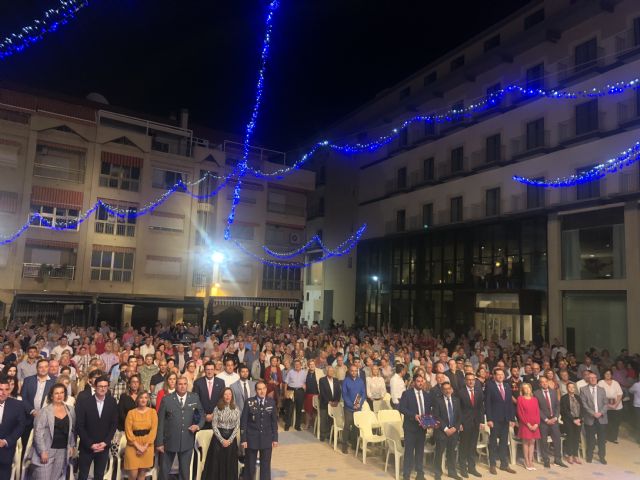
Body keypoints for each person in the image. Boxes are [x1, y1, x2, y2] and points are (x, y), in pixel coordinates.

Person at [155, 376, 204, 480]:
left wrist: (198, 425)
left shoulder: (194, 397)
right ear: (176, 385)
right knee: (164, 471)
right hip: (169, 441)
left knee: (185, 472)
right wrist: (159, 442)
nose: (182, 386)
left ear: (187, 385)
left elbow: (202, 415)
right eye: (180, 384)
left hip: (187, 440)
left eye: (184, 384)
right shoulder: (167, 399)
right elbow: (160, 422)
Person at [75, 375, 118, 480]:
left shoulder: (112, 402)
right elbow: (80, 426)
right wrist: (90, 444)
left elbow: (113, 424)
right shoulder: (85, 402)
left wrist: (105, 442)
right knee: (83, 476)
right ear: (95, 387)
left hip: (103, 446)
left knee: (99, 475)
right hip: (87, 447)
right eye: (100, 386)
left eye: (105, 386)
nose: (103, 388)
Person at [30, 383, 75, 480]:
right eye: (56, 393)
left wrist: (71, 445)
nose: (59, 395)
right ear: (51, 395)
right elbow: (38, 433)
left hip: (62, 451)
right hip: (46, 451)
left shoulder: (70, 410)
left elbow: (71, 430)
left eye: (62, 392)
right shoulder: (44, 411)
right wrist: (42, 451)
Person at [240, 380, 278, 480]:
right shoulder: (249, 402)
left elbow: (274, 422)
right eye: (259, 389)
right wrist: (243, 439)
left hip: (266, 438)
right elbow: (243, 422)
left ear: (266, 389)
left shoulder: (271, 402)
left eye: (264, 389)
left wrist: (275, 439)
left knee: (265, 466)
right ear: (256, 391)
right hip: (251, 439)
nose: (262, 391)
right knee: (250, 466)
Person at [203, 387, 240, 480]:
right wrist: (222, 440)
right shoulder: (217, 408)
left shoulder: (236, 408)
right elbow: (214, 425)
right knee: (216, 464)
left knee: (230, 463)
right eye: (225, 394)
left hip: (231, 440)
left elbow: (237, 426)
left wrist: (230, 440)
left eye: (229, 394)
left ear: (232, 396)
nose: (228, 396)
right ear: (222, 396)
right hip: (218, 440)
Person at [485, 368, 516, 474]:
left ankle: (504, 464)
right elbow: (488, 403)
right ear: (494, 376)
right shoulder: (490, 386)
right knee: (493, 442)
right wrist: (489, 419)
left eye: (502, 374)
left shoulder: (507, 386)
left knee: (503, 443)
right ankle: (492, 465)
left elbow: (510, 404)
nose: (500, 376)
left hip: (506, 419)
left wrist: (512, 418)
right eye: (498, 374)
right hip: (495, 419)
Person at [398, 373, 430, 480]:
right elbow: (401, 408)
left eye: (422, 381)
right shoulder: (407, 394)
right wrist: (413, 415)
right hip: (410, 427)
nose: (420, 383)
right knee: (409, 452)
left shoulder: (426, 394)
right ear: (413, 382)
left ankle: (419, 473)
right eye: (418, 381)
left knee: (420, 452)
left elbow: (428, 411)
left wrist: (428, 423)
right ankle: (406, 474)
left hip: (422, 428)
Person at [21, 359, 55, 452]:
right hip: (29, 418)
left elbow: (56, 400)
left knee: (43, 446)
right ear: (37, 368)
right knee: (26, 445)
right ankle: (24, 465)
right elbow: (23, 398)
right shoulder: (28, 380)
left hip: (47, 420)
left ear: (48, 368)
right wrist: (32, 411)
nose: (43, 369)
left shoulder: (55, 381)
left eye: (45, 367)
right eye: (40, 367)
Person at [124, 391, 158, 480]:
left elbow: (154, 430)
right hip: (133, 445)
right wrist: (138, 447)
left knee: (142, 474)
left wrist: (144, 447)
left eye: (146, 398)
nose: (143, 400)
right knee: (133, 475)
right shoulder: (131, 413)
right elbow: (128, 431)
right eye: (141, 397)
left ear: (148, 400)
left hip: (147, 445)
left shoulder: (153, 412)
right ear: (137, 399)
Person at [534, 377, 566, 468]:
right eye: (542, 382)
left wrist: (555, 417)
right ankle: (546, 460)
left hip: (554, 420)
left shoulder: (553, 392)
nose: (544, 383)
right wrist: (546, 419)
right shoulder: (536, 393)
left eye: (545, 382)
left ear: (548, 382)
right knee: (543, 441)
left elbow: (557, 406)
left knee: (557, 439)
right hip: (544, 421)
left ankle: (558, 459)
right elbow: (537, 408)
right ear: (540, 384)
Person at [432, 381, 462, 480]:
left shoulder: (456, 400)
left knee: (451, 452)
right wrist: (445, 429)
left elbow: (459, 417)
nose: (447, 390)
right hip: (441, 431)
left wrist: (455, 428)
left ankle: (452, 472)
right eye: (445, 389)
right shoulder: (437, 400)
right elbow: (436, 416)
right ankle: (437, 472)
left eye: (449, 388)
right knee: (439, 452)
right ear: (442, 390)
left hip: (453, 431)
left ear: (451, 389)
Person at [458, 371, 484, 478]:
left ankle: (472, 468)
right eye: (468, 379)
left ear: (475, 380)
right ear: (465, 381)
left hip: (476, 423)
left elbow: (481, 408)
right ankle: (463, 468)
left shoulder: (479, 391)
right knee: (464, 446)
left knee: (473, 446)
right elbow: (458, 410)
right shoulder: (460, 392)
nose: (471, 381)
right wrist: (459, 423)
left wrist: (482, 421)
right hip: (465, 423)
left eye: (472, 380)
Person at [580, 372, 608, 464]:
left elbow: (605, 403)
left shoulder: (602, 389)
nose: (592, 379)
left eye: (594, 377)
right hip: (590, 418)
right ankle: (590, 456)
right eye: (590, 378)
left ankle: (602, 457)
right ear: (588, 379)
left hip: (602, 418)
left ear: (597, 379)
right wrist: (593, 413)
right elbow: (584, 404)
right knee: (590, 439)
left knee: (602, 439)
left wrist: (600, 413)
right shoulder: (583, 389)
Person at [0, 377, 25, 480]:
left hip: (6, 449)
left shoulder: (17, 405)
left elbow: (20, 426)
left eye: (6, 389)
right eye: (0, 389)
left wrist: (6, 441)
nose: (3, 393)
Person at [341, 364, 366, 455]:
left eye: (355, 371)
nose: (354, 372)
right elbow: (344, 395)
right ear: (349, 371)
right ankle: (344, 446)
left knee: (356, 427)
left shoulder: (361, 381)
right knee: (347, 426)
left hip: (358, 407)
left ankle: (355, 445)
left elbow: (363, 394)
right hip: (348, 408)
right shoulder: (346, 381)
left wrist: (359, 404)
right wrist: (352, 405)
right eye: (352, 370)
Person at [193, 361, 226, 429]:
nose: (210, 372)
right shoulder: (198, 383)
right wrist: (205, 415)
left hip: (217, 419)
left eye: (211, 369)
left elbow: (222, 400)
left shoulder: (221, 382)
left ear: (214, 370)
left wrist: (214, 414)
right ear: (204, 370)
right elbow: (196, 401)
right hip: (202, 419)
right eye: (207, 369)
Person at [516, 383, 540, 471]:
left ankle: (531, 460)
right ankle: (526, 461)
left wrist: (537, 424)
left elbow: (538, 412)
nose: (527, 390)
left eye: (528, 388)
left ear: (530, 389)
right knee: (526, 442)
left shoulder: (535, 399)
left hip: (535, 424)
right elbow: (520, 413)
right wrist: (528, 424)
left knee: (532, 442)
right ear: (522, 390)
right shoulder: (520, 399)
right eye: (525, 388)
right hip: (525, 424)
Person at [598, 368, 623, 443]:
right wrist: (608, 405)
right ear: (604, 375)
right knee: (605, 423)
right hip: (605, 407)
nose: (608, 375)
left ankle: (613, 438)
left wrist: (615, 404)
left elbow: (620, 394)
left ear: (612, 375)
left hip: (617, 406)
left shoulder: (616, 383)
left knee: (615, 423)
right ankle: (605, 437)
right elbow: (599, 395)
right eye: (606, 374)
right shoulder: (601, 382)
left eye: (609, 374)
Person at [560, 382, 583, 465]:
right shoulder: (564, 398)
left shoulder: (578, 397)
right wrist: (573, 420)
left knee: (576, 438)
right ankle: (570, 455)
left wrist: (579, 419)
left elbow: (582, 409)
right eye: (569, 387)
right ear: (567, 388)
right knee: (570, 438)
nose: (571, 388)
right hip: (569, 421)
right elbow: (565, 411)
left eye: (573, 387)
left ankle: (575, 455)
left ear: (575, 388)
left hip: (578, 421)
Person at [318, 365, 341, 442]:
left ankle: (330, 435)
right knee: (324, 419)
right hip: (325, 403)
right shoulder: (322, 380)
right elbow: (322, 393)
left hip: (334, 404)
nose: (331, 372)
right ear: (326, 372)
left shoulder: (336, 380)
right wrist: (328, 401)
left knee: (332, 420)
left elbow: (338, 391)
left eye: (332, 371)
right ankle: (323, 435)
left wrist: (337, 401)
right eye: (329, 371)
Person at [283, 359, 306, 431]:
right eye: (296, 365)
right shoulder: (290, 372)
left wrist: (305, 387)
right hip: (291, 391)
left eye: (298, 365)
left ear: (301, 365)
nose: (297, 366)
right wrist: (285, 392)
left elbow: (306, 382)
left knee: (299, 409)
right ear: (294, 366)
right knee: (289, 409)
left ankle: (297, 426)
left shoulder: (304, 373)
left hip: (300, 392)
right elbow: (286, 383)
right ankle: (287, 425)